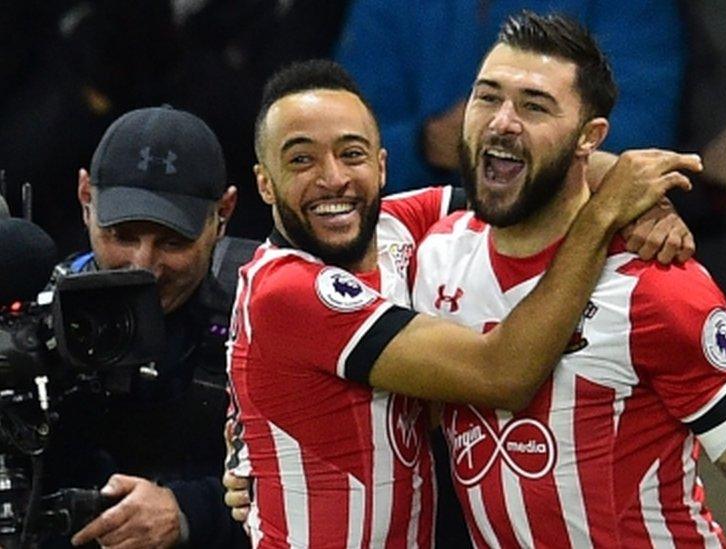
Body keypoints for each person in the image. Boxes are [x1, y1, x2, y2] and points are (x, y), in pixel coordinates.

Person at [224, 59, 699, 547]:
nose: (333, 178)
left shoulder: (398, 225)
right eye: (301, 160)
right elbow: (501, 374)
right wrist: (606, 214)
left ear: (382, 165)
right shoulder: (284, 290)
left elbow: (543, 178)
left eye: (352, 154)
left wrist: (646, 202)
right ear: (265, 183)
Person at [407, 12, 726, 547]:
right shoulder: (431, 256)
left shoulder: (659, 285)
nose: (502, 120)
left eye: (534, 105)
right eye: (487, 97)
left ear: (588, 138)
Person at [43, 106, 252, 548]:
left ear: (224, 212)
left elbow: (317, 487)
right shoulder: (35, 321)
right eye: (122, 236)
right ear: (85, 199)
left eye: (172, 241)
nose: (144, 266)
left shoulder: (262, 309)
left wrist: (188, 512)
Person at [335, 0, 686, 193]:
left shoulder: (631, 9)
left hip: (575, 238)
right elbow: (349, 136)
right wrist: (424, 144)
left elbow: (637, 136)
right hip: (415, 235)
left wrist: (521, 150)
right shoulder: (388, 8)